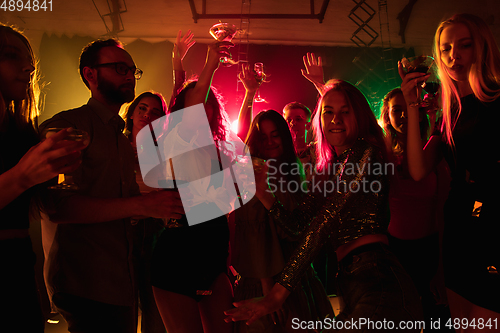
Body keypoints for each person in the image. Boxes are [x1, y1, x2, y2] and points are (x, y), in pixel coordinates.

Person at [225, 79, 423, 331]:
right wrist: (263, 193)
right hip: (352, 282)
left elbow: (322, 223)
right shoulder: (329, 170)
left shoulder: (366, 152)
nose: (335, 119)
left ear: (359, 116)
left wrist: (276, 295)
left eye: (344, 112)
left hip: (379, 280)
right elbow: (298, 227)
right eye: (328, 112)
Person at [39, 38, 184, 333]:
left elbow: (127, 206)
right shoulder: (69, 125)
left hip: (121, 279)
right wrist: (143, 204)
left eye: (133, 70)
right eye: (120, 68)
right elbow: (57, 207)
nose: (130, 76)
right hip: (86, 282)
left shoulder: (119, 138)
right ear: (90, 74)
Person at [400, 13, 500, 331]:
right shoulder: (450, 110)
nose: (453, 55)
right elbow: (417, 169)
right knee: (463, 324)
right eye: (445, 49)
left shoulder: (497, 100)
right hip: (459, 226)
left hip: (492, 224)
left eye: (464, 45)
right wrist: (411, 105)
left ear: (481, 48)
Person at [0, 23, 86, 333]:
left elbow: (50, 207)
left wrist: (54, 176)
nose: (28, 67)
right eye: (11, 56)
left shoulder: (22, 131)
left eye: (30, 61)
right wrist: (23, 176)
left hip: (20, 262)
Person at [151, 41, 234, 333]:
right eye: (196, 102)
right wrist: (210, 65)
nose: (202, 107)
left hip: (213, 254)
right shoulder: (176, 140)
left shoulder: (218, 150)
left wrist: (180, 72)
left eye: (207, 102)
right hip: (179, 253)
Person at [231, 110, 334, 332]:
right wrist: (267, 287)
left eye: (275, 135)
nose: (269, 141)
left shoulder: (291, 169)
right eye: (263, 137)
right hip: (267, 278)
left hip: (297, 275)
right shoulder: (253, 172)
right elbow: (254, 233)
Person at [379, 87, 451, 330]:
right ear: (387, 117)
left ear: (419, 113)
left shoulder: (433, 152)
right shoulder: (382, 155)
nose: (402, 116)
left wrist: (441, 265)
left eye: (407, 109)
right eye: (395, 111)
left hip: (430, 248)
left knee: (437, 321)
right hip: (395, 250)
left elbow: (442, 210)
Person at [122, 90, 169, 333]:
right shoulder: (114, 146)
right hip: (120, 229)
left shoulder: (165, 150)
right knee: (122, 305)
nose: (147, 114)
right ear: (131, 113)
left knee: (155, 306)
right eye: (142, 108)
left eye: (155, 112)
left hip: (154, 230)